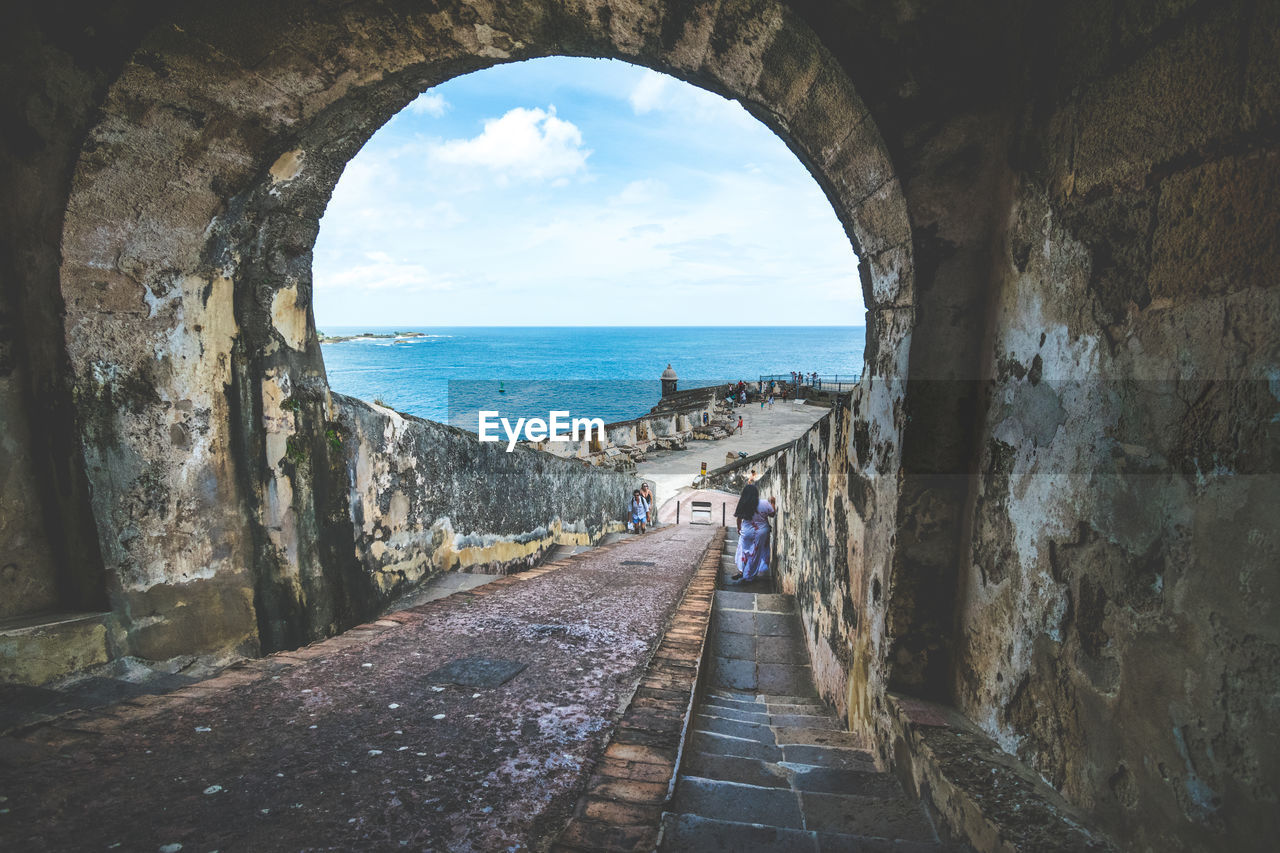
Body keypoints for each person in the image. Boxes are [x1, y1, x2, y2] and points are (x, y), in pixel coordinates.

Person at [732, 495, 777, 582]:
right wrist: (773, 503)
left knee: (744, 551)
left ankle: (741, 571)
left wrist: (739, 528)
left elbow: (739, 519)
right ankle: (749, 575)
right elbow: (772, 514)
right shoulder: (764, 503)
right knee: (756, 553)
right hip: (761, 533)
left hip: (747, 532)